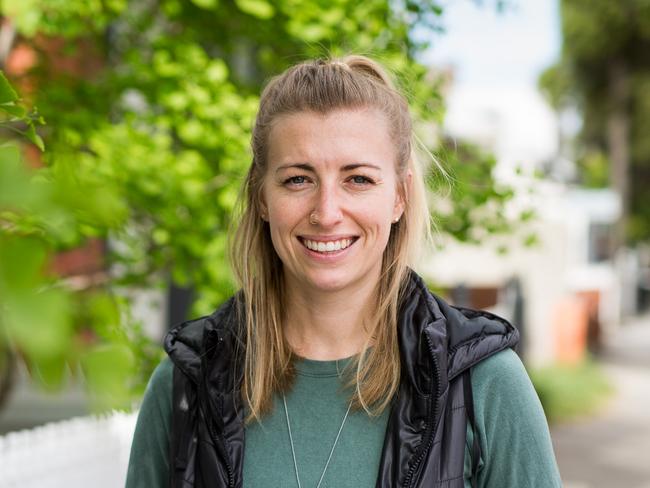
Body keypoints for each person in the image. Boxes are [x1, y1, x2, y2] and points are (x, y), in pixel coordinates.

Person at [126, 55, 562, 488]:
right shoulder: (188, 382)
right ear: (262, 196)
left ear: (400, 197)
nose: (326, 212)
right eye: (298, 179)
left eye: (358, 179)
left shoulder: (481, 380)